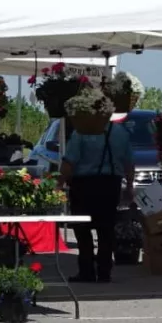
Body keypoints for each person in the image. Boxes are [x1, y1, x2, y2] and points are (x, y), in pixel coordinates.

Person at [60, 108, 135, 283]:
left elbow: (69, 161)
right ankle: (104, 271)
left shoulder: (81, 133)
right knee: (106, 229)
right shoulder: (120, 132)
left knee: (82, 229)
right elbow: (129, 162)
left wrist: (59, 183)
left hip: (84, 185)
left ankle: (86, 271)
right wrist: (130, 186)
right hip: (110, 184)